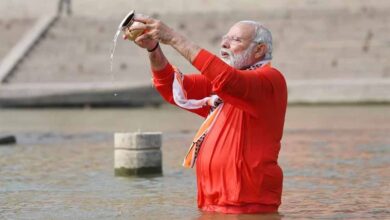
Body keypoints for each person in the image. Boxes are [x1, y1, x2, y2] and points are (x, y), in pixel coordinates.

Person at [124, 14, 287, 214]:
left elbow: (227, 79)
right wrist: (153, 48)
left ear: (259, 50)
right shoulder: (221, 86)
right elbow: (172, 87)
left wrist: (173, 37)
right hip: (210, 205)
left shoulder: (270, 80)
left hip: (249, 206)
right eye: (225, 38)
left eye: (236, 40)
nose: (225, 44)